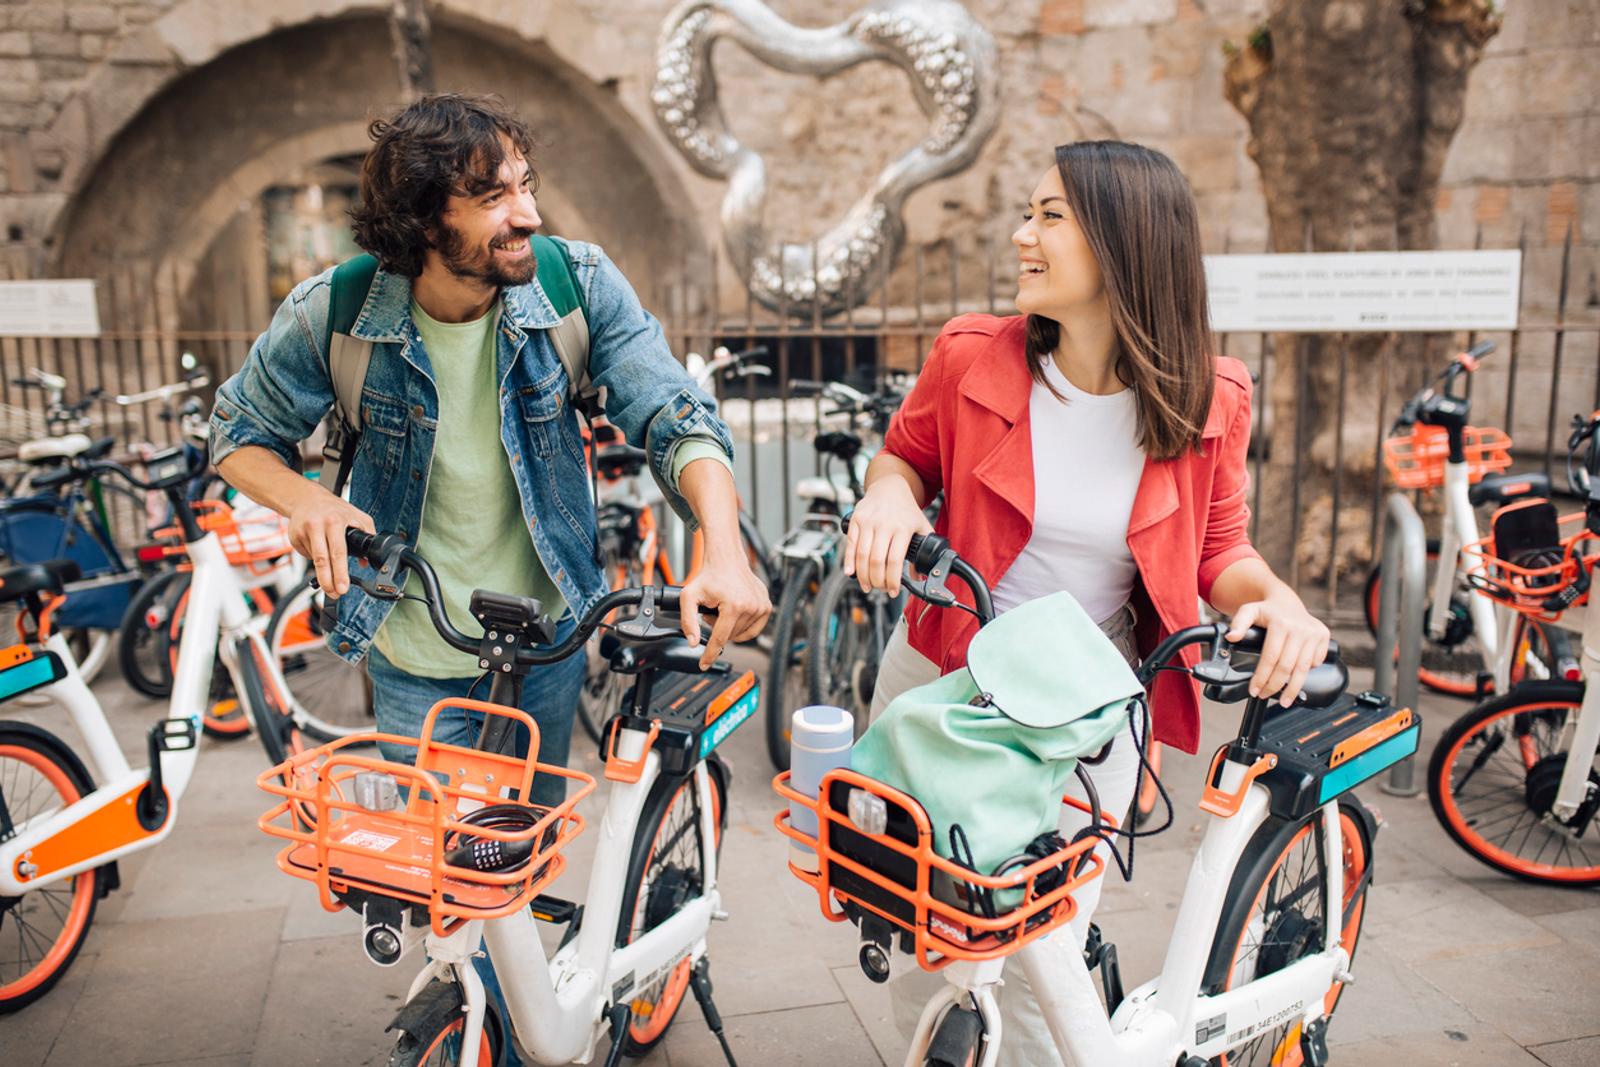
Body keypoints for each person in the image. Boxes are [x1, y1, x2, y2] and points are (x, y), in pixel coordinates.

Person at [209, 92, 771, 1063]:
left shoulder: (572, 284)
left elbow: (671, 412)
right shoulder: (335, 311)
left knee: (518, 858)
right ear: (424, 221)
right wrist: (300, 496)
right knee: (456, 881)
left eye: (526, 184)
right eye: (493, 196)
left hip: (547, 633)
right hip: (413, 645)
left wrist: (721, 538)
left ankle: (526, 1030)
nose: (528, 213)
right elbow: (236, 435)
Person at [843, 140, 1330, 1066]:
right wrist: (890, 498)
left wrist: (1280, 602)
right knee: (922, 925)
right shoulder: (970, 358)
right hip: (942, 680)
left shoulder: (1210, 397)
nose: (1022, 235)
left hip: (1089, 705)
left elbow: (1221, 547)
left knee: (1042, 949)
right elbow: (903, 459)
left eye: (1049, 216)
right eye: (1027, 213)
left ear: (1124, 242)